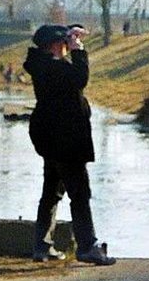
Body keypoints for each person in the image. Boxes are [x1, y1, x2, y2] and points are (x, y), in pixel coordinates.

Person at [24, 23, 116, 266]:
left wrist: (70, 37)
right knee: (80, 193)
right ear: (55, 45)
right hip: (67, 141)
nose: (67, 47)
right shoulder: (54, 67)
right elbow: (80, 78)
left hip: (51, 140)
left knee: (51, 194)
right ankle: (87, 246)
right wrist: (79, 51)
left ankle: (42, 246)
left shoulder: (41, 65)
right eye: (64, 43)